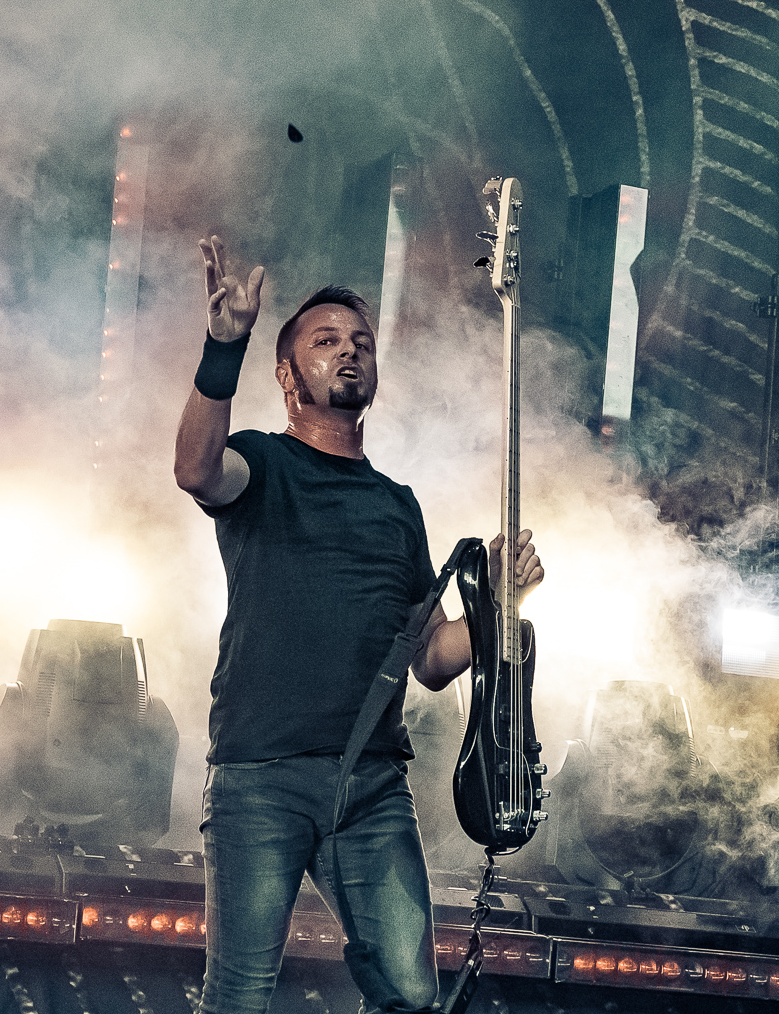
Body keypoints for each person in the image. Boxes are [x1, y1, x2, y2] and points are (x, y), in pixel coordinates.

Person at [173, 235, 545, 1014]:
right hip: (261, 775)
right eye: (326, 340)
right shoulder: (262, 463)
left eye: (361, 343)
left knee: (410, 992)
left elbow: (432, 658)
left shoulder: (397, 505)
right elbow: (196, 469)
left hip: (372, 783)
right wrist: (223, 345)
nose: (349, 351)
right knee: (237, 997)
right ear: (286, 375)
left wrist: (496, 606)